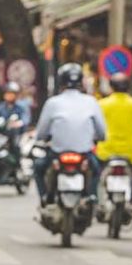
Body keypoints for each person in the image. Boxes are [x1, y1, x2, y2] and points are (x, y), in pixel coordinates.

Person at [33, 63, 107, 205]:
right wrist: (97, 138)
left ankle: (45, 198)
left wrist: (44, 138)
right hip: (84, 153)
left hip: (57, 153)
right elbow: (102, 132)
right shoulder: (91, 102)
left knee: (38, 168)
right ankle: (92, 196)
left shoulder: (52, 103)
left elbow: (41, 132)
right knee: (97, 170)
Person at [96, 73, 132, 211]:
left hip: (106, 151)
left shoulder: (102, 104)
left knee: (95, 174)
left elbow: (95, 126)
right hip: (129, 152)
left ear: (111, 86)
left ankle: (94, 200)